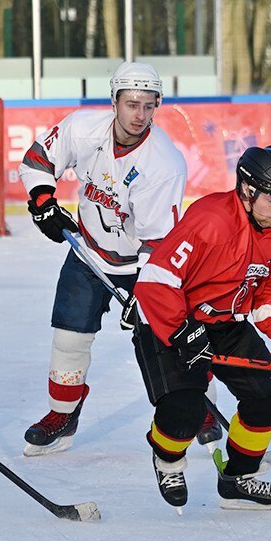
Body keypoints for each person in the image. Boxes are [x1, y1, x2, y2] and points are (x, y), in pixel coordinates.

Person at [128, 145, 271, 510]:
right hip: (166, 318)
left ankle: (237, 478)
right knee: (185, 408)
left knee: (269, 398)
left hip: (224, 323)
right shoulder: (211, 219)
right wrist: (182, 331)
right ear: (247, 191)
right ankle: (168, 460)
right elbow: (156, 281)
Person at [18, 61, 196, 456]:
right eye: (132, 104)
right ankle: (63, 413)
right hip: (88, 253)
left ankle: (196, 408)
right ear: (114, 100)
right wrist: (44, 201)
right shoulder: (84, 128)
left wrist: (148, 291)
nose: (140, 115)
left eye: (149, 106)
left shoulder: (163, 164)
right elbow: (37, 161)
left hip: (141, 265)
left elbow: (159, 244)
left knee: (169, 340)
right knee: (69, 337)